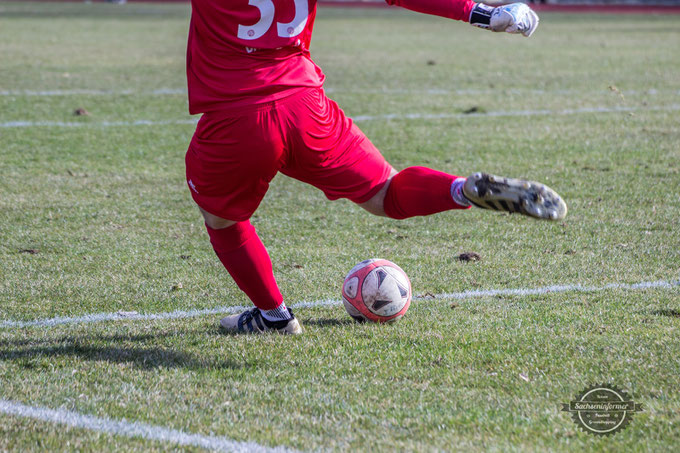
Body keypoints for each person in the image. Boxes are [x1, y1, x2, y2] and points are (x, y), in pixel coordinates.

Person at [184, 0, 565, 335]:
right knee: (386, 193)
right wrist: (484, 13)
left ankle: (275, 316)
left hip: (238, 116)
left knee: (223, 220)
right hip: (305, 106)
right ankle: (461, 189)